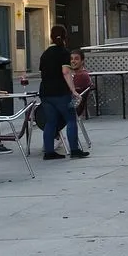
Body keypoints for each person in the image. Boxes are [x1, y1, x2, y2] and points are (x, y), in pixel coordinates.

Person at [38, 25, 89, 160]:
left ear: (51, 37)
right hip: (60, 92)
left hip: (45, 92)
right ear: (65, 37)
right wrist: (73, 90)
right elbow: (66, 72)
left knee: (50, 122)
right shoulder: (64, 53)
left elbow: (42, 72)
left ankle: (49, 152)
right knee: (71, 119)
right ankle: (74, 150)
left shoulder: (45, 54)